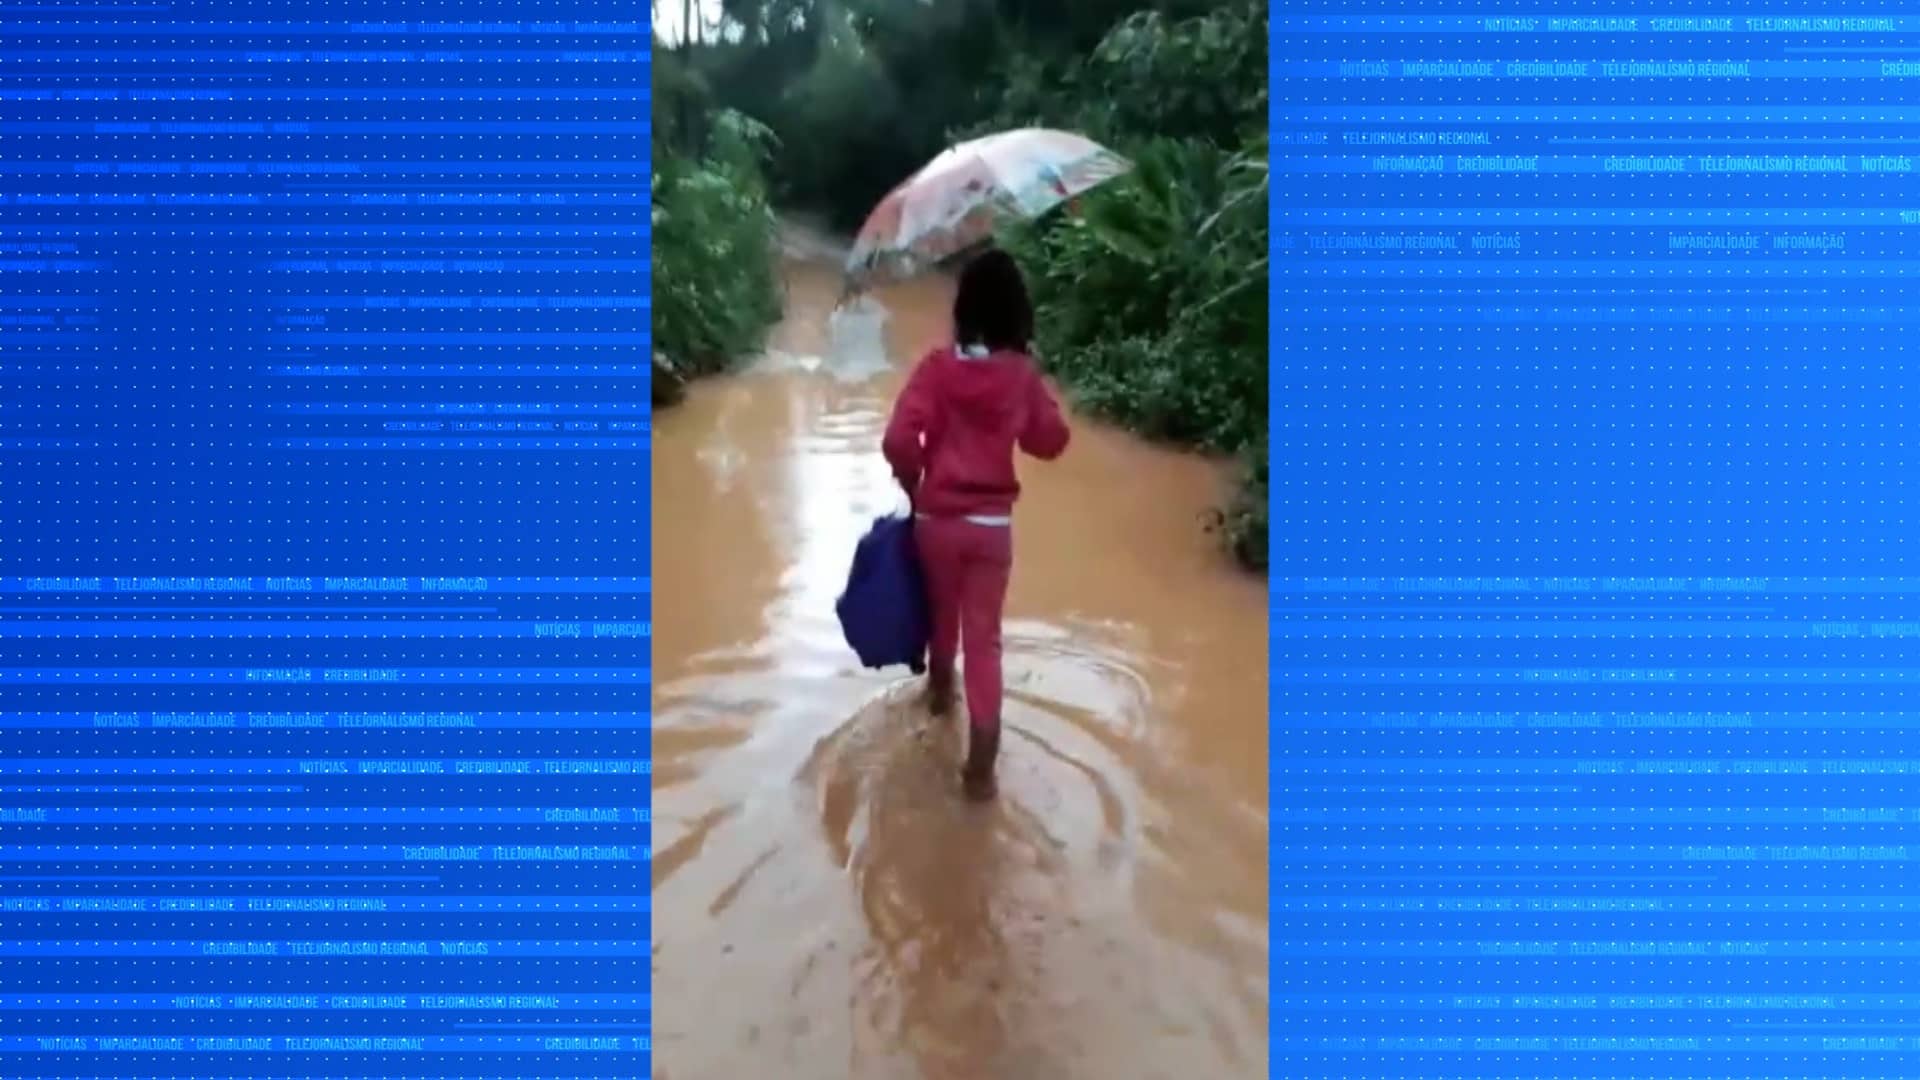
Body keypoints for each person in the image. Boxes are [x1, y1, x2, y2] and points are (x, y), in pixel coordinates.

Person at [881, 250, 1070, 800]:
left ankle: (940, 705)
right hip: (991, 527)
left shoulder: (936, 369)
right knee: (983, 641)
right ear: (1017, 312)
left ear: (962, 308)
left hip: (937, 521)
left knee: (943, 623)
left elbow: (896, 440)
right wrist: (1031, 388)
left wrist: (914, 482)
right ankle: (980, 771)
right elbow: (1051, 442)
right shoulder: (1020, 375)